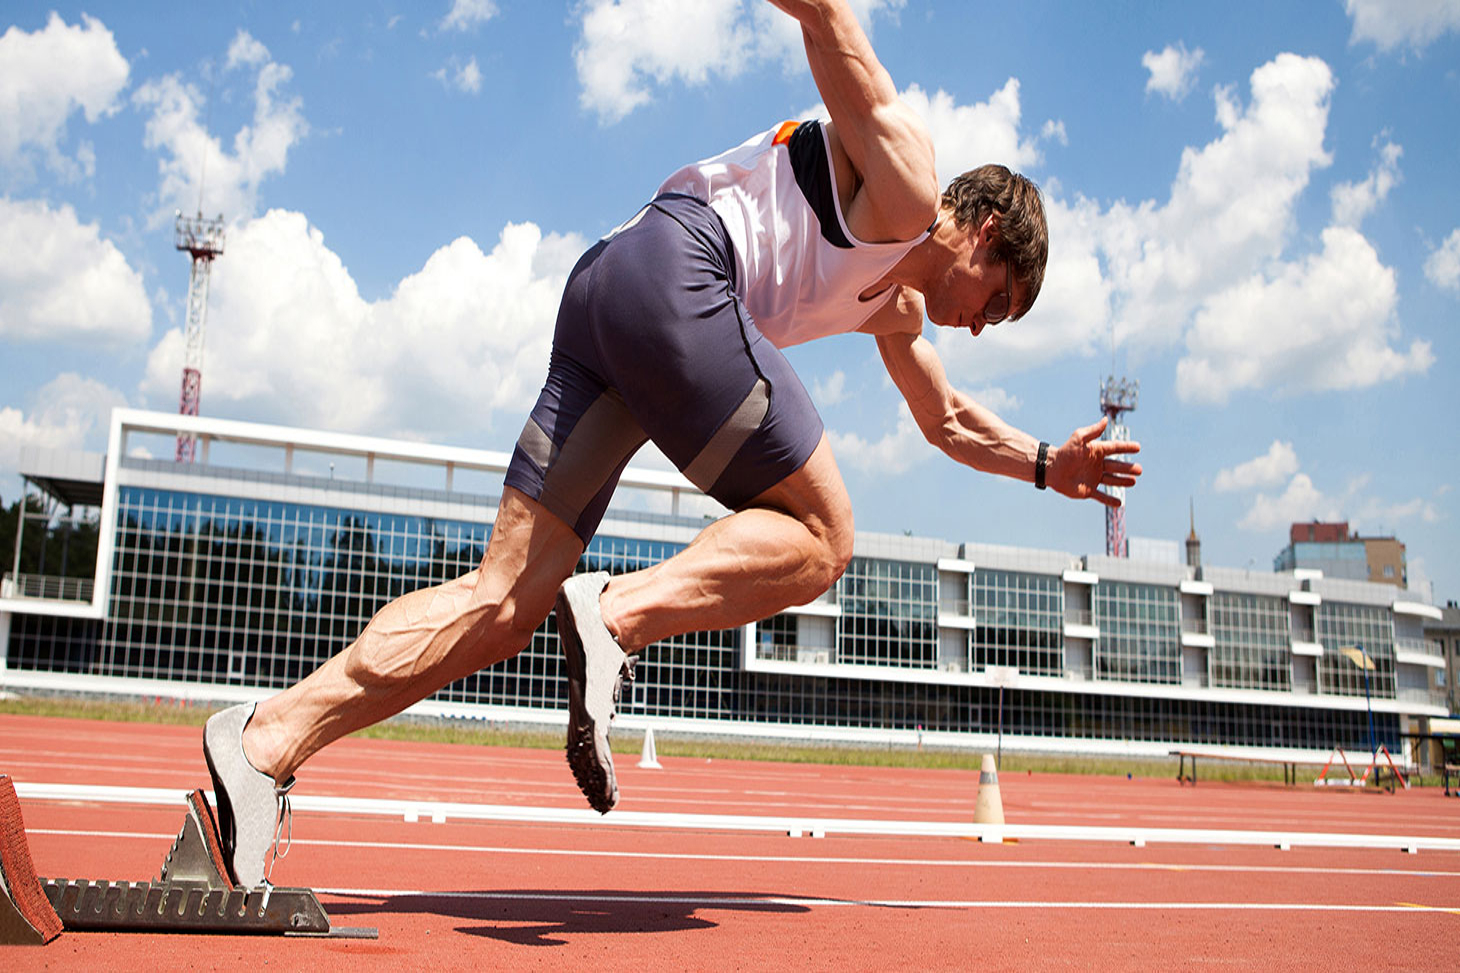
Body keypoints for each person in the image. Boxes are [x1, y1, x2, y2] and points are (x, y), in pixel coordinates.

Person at [203, 0, 1143, 888]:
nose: (982, 326)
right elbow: (826, 21)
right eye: (998, 303)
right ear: (985, 232)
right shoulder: (904, 181)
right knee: (825, 535)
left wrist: (1045, 466)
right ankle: (615, 613)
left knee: (502, 600)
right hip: (682, 273)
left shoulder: (893, 305)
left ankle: (265, 743)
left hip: (608, 294)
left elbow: (944, 420)